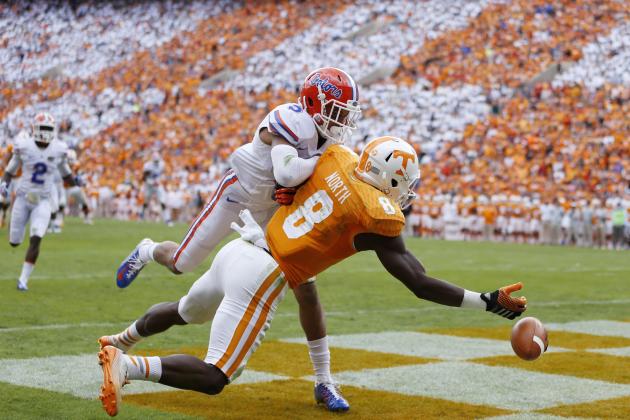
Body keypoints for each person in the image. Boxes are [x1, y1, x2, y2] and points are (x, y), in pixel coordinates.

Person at [97, 137, 527, 417]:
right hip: (264, 273)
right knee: (216, 376)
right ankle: (128, 365)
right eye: (405, 183)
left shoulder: (334, 159)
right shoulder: (374, 219)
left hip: (243, 244)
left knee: (186, 311)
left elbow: (286, 180)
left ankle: (121, 339)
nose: (407, 192)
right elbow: (418, 282)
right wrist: (486, 301)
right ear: (392, 180)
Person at [112, 67, 361, 411]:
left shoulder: (329, 140)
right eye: (336, 110)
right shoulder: (291, 119)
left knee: (307, 289)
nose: (341, 120)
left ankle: (324, 380)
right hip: (240, 193)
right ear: (312, 102)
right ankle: (149, 249)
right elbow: (287, 172)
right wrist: (322, 162)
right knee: (183, 263)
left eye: (345, 113)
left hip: (273, 210)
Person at [0, 113, 84, 291]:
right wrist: (3, 184)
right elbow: (10, 170)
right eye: (42, 128)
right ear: (34, 129)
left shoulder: (59, 149)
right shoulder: (24, 146)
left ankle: (23, 280)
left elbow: (66, 174)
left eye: (48, 129)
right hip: (23, 198)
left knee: (36, 238)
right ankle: (14, 231)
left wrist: (77, 181)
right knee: (14, 241)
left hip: (43, 201)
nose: (45, 133)